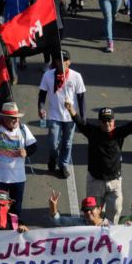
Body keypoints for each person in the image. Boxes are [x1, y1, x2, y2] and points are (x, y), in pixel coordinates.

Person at [68, 102, 132, 223]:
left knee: (115, 212)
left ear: (114, 121)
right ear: (99, 122)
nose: (107, 123)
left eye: (109, 120)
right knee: (94, 216)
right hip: (95, 181)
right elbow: (80, 122)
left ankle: (110, 236)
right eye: (104, 121)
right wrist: (70, 109)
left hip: (114, 182)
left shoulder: (118, 133)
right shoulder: (92, 132)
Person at [39, 50, 86, 178]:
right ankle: (53, 157)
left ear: (69, 62)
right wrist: (41, 108)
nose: (61, 62)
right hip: (54, 115)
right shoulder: (48, 75)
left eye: (64, 60)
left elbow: (81, 97)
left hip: (70, 116)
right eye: (59, 59)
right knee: (53, 143)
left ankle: (63, 164)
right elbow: (42, 95)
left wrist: (82, 117)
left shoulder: (76, 76)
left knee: (67, 143)